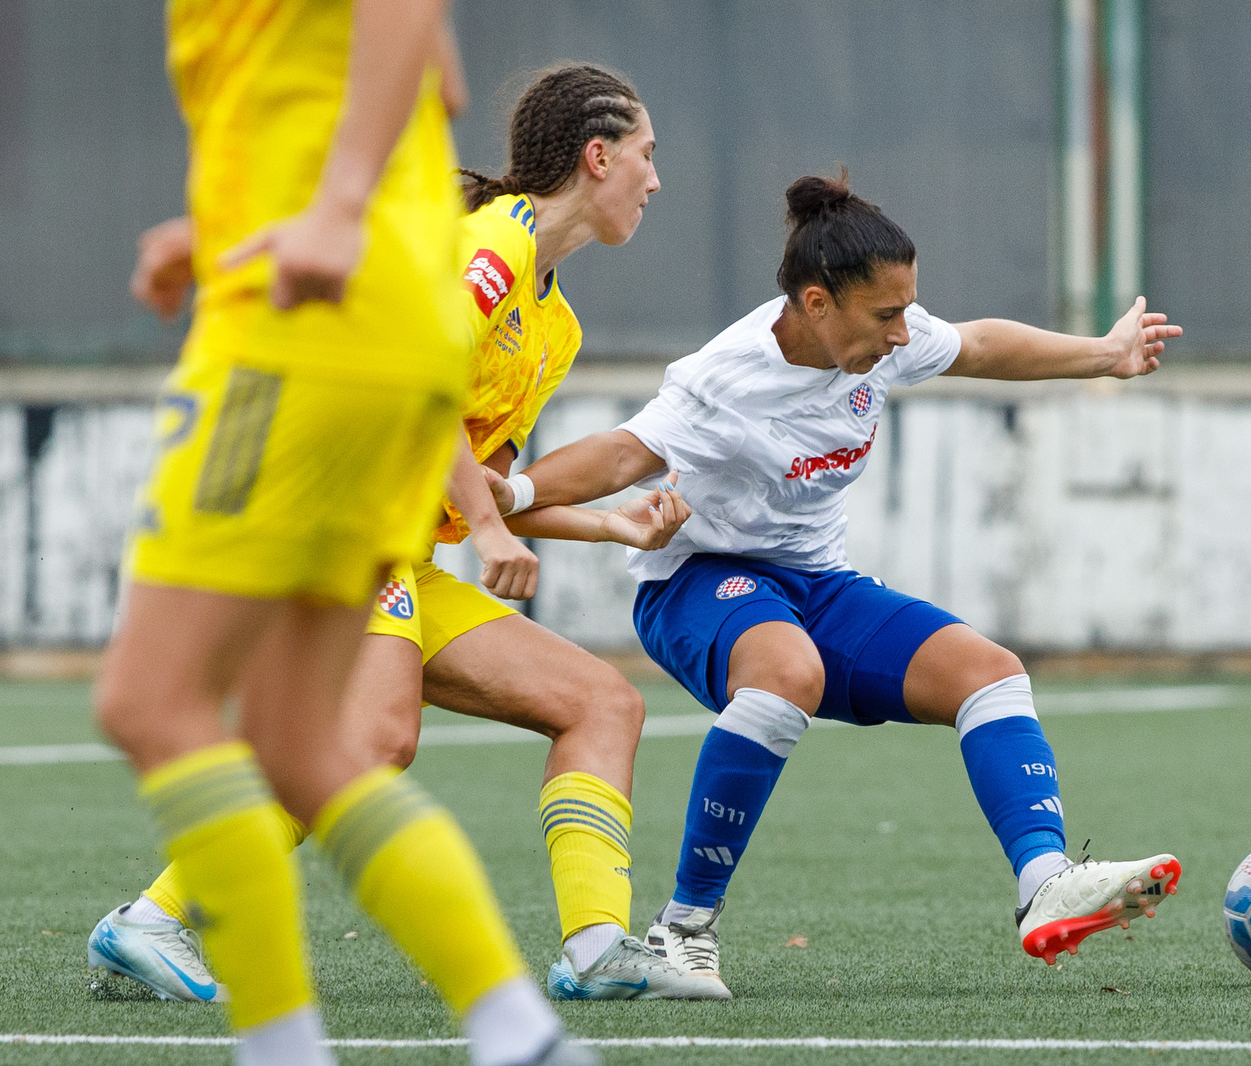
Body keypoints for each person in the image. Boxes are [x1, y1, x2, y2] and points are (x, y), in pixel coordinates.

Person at [90, 63, 727, 1005]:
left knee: (601, 704)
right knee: (374, 739)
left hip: (402, 550)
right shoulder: (493, 248)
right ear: (598, 157)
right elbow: (409, 390)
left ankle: (597, 950)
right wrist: (486, 523)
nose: (656, 178)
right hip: (337, 525)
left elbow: (485, 481)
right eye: (647, 154)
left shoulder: (554, 325)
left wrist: (609, 525)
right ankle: (152, 919)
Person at [489, 172, 1186, 996]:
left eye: (907, 312)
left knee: (989, 675)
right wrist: (516, 496)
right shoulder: (725, 380)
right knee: (788, 671)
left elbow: (982, 345)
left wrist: (1104, 356)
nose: (903, 333)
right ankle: (682, 928)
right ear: (817, 304)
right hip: (695, 583)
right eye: (887, 316)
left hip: (816, 583)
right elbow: (618, 454)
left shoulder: (886, 335)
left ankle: (1044, 884)